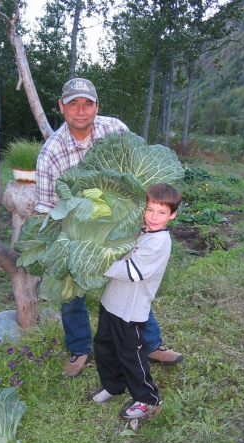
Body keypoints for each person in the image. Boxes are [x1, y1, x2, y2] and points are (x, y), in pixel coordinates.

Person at [34, 78, 183, 378]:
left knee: (135, 287)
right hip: (78, 233)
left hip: (126, 226)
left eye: (87, 103)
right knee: (70, 287)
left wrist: (146, 219)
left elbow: (142, 179)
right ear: (62, 106)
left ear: (96, 107)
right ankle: (79, 348)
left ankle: (150, 342)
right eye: (73, 103)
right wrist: (69, 239)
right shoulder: (51, 152)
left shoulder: (114, 130)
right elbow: (46, 208)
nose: (81, 110)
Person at [88, 183, 182, 420]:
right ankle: (113, 386)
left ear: (173, 215)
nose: (154, 217)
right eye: (150, 210)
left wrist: (98, 262)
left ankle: (147, 399)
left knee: (131, 354)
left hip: (130, 310)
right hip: (112, 301)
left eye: (162, 213)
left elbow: (132, 271)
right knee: (104, 347)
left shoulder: (159, 242)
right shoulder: (141, 230)